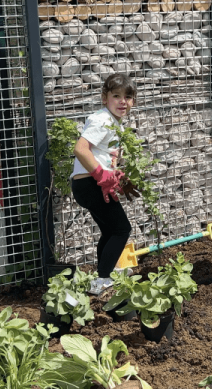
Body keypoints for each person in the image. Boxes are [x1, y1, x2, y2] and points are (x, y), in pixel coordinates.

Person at [71, 73, 139, 295]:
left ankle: (105, 274)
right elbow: (80, 149)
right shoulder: (102, 119)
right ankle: (101, 281)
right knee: (121, 229)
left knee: (110, 231)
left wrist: (117, 176)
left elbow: (101, 157)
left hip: (87, 185)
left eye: (128, 97)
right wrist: (102, 176)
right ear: (104, 98)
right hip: (90, 183)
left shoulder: (113, 122)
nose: (123, 102)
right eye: (116, 96)